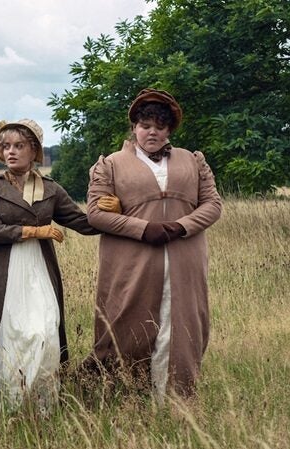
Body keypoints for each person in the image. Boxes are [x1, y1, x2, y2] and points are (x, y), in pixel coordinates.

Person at [83, 88, 222, 400]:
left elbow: (213, 205)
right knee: (127, 322)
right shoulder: (110, 165)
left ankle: (177, 399)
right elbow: (94, 214)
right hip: (132, 263)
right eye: (146, 126)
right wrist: (143, 229)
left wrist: (180, 226)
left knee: (183, 325)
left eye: (160, 127)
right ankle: (126, 396)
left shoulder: (193, 161)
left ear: (169, 130)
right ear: (134, 127)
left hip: (184, 260)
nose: (152, 132)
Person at [0, 119, 110, 413]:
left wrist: (110, 211)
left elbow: (81, 222)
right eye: (5, 146)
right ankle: (8, 406)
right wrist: (34, 231)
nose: (11, 152)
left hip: (39, 271)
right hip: (1, 272)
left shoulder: (51, 189)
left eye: (19, 146)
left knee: (45, 331)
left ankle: (43, 407)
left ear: (34, 150)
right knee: (11, 334)